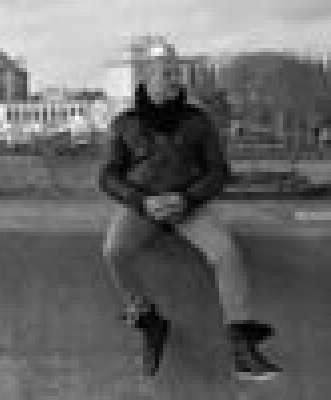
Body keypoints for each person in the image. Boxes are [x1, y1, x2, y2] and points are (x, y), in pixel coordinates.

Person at [99, 35, 282, 381]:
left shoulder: (198, 121)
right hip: (143, 205)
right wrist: (141, 200)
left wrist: (185, 199)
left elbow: (218, 172)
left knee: (225, 253)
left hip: (187, 203)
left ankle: (242, 346)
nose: (175, 80)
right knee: (114, 251)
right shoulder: (124, 123)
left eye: (176, 73)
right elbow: (108, 176)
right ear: (147, 77)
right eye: (167, 73)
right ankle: (148, 319)